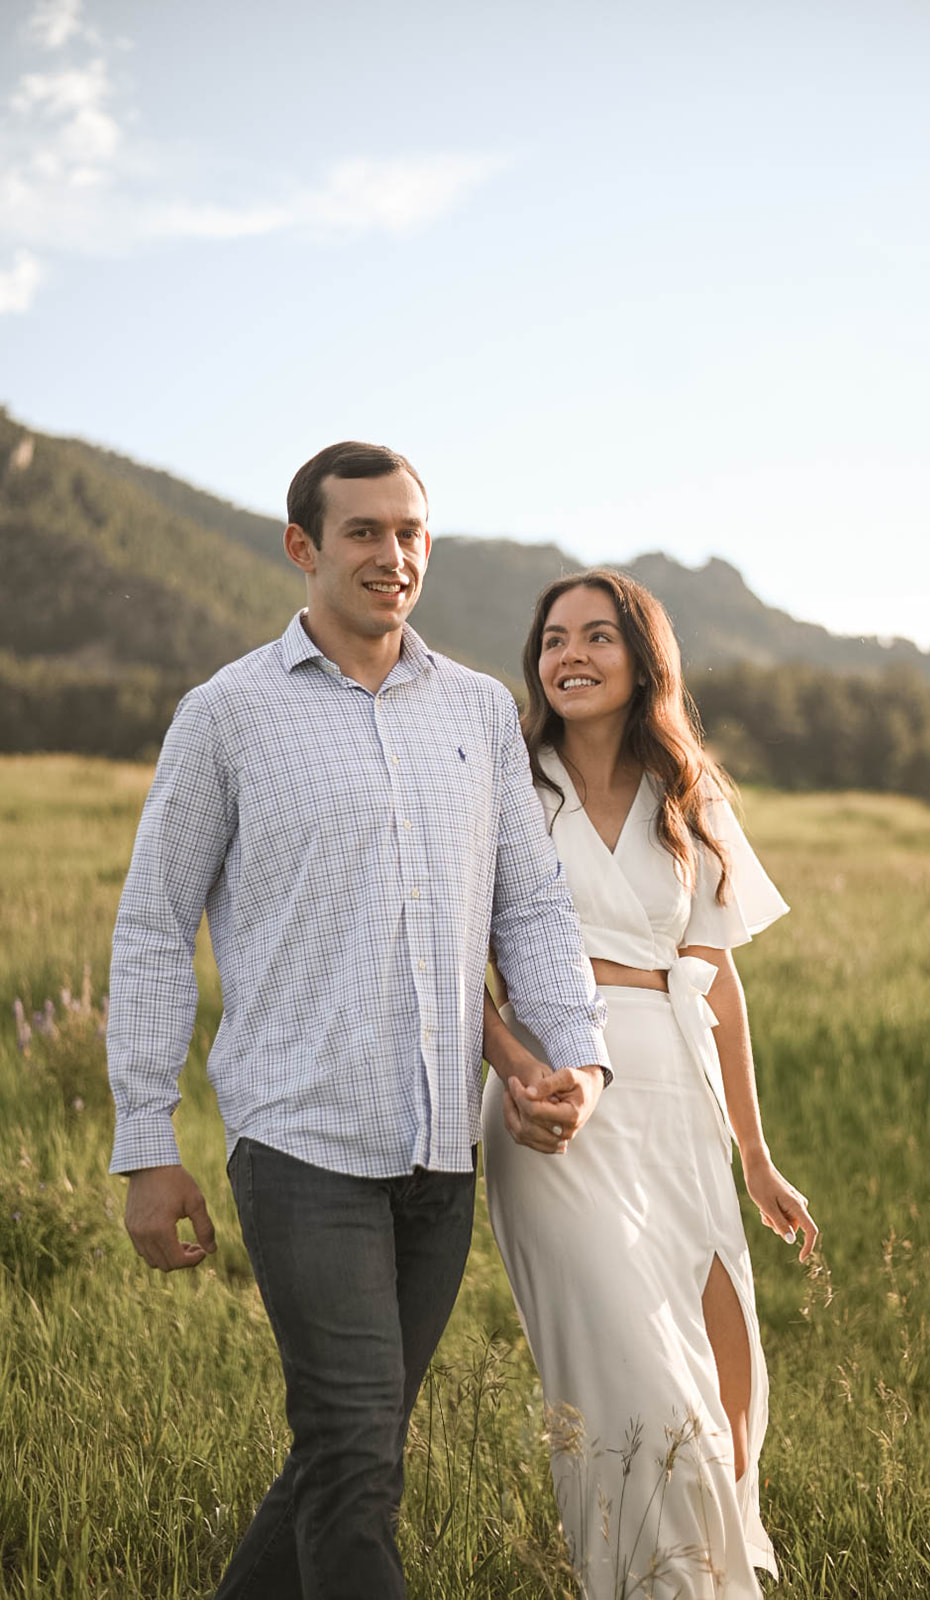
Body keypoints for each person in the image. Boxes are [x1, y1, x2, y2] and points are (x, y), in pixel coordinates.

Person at [106, 442, 613, 1600]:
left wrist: (573, 1057)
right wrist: (146, 1142)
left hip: (440, 1151)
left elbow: (527, 905)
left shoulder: (480, 712)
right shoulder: (225, 715)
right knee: (356, 1461)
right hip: (299, 1143)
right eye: (364, 533)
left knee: (351, 1450)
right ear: (302, 547)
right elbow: (151, 927)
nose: (394, 557)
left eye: (411, 533)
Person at [482, 569, 819, 1600]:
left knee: (723, 1369)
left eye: (595, 636)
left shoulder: (689, 790)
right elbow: (453, 955)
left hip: (675, 1089)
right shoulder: (506, 778)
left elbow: (716, 981)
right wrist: (511, 1057)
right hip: (549, 1091)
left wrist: (755, 1154)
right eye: (551, 639)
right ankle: (653, 1585)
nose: (569, 655)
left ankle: (713, 1577)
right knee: (627, 1359)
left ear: (641, 659)